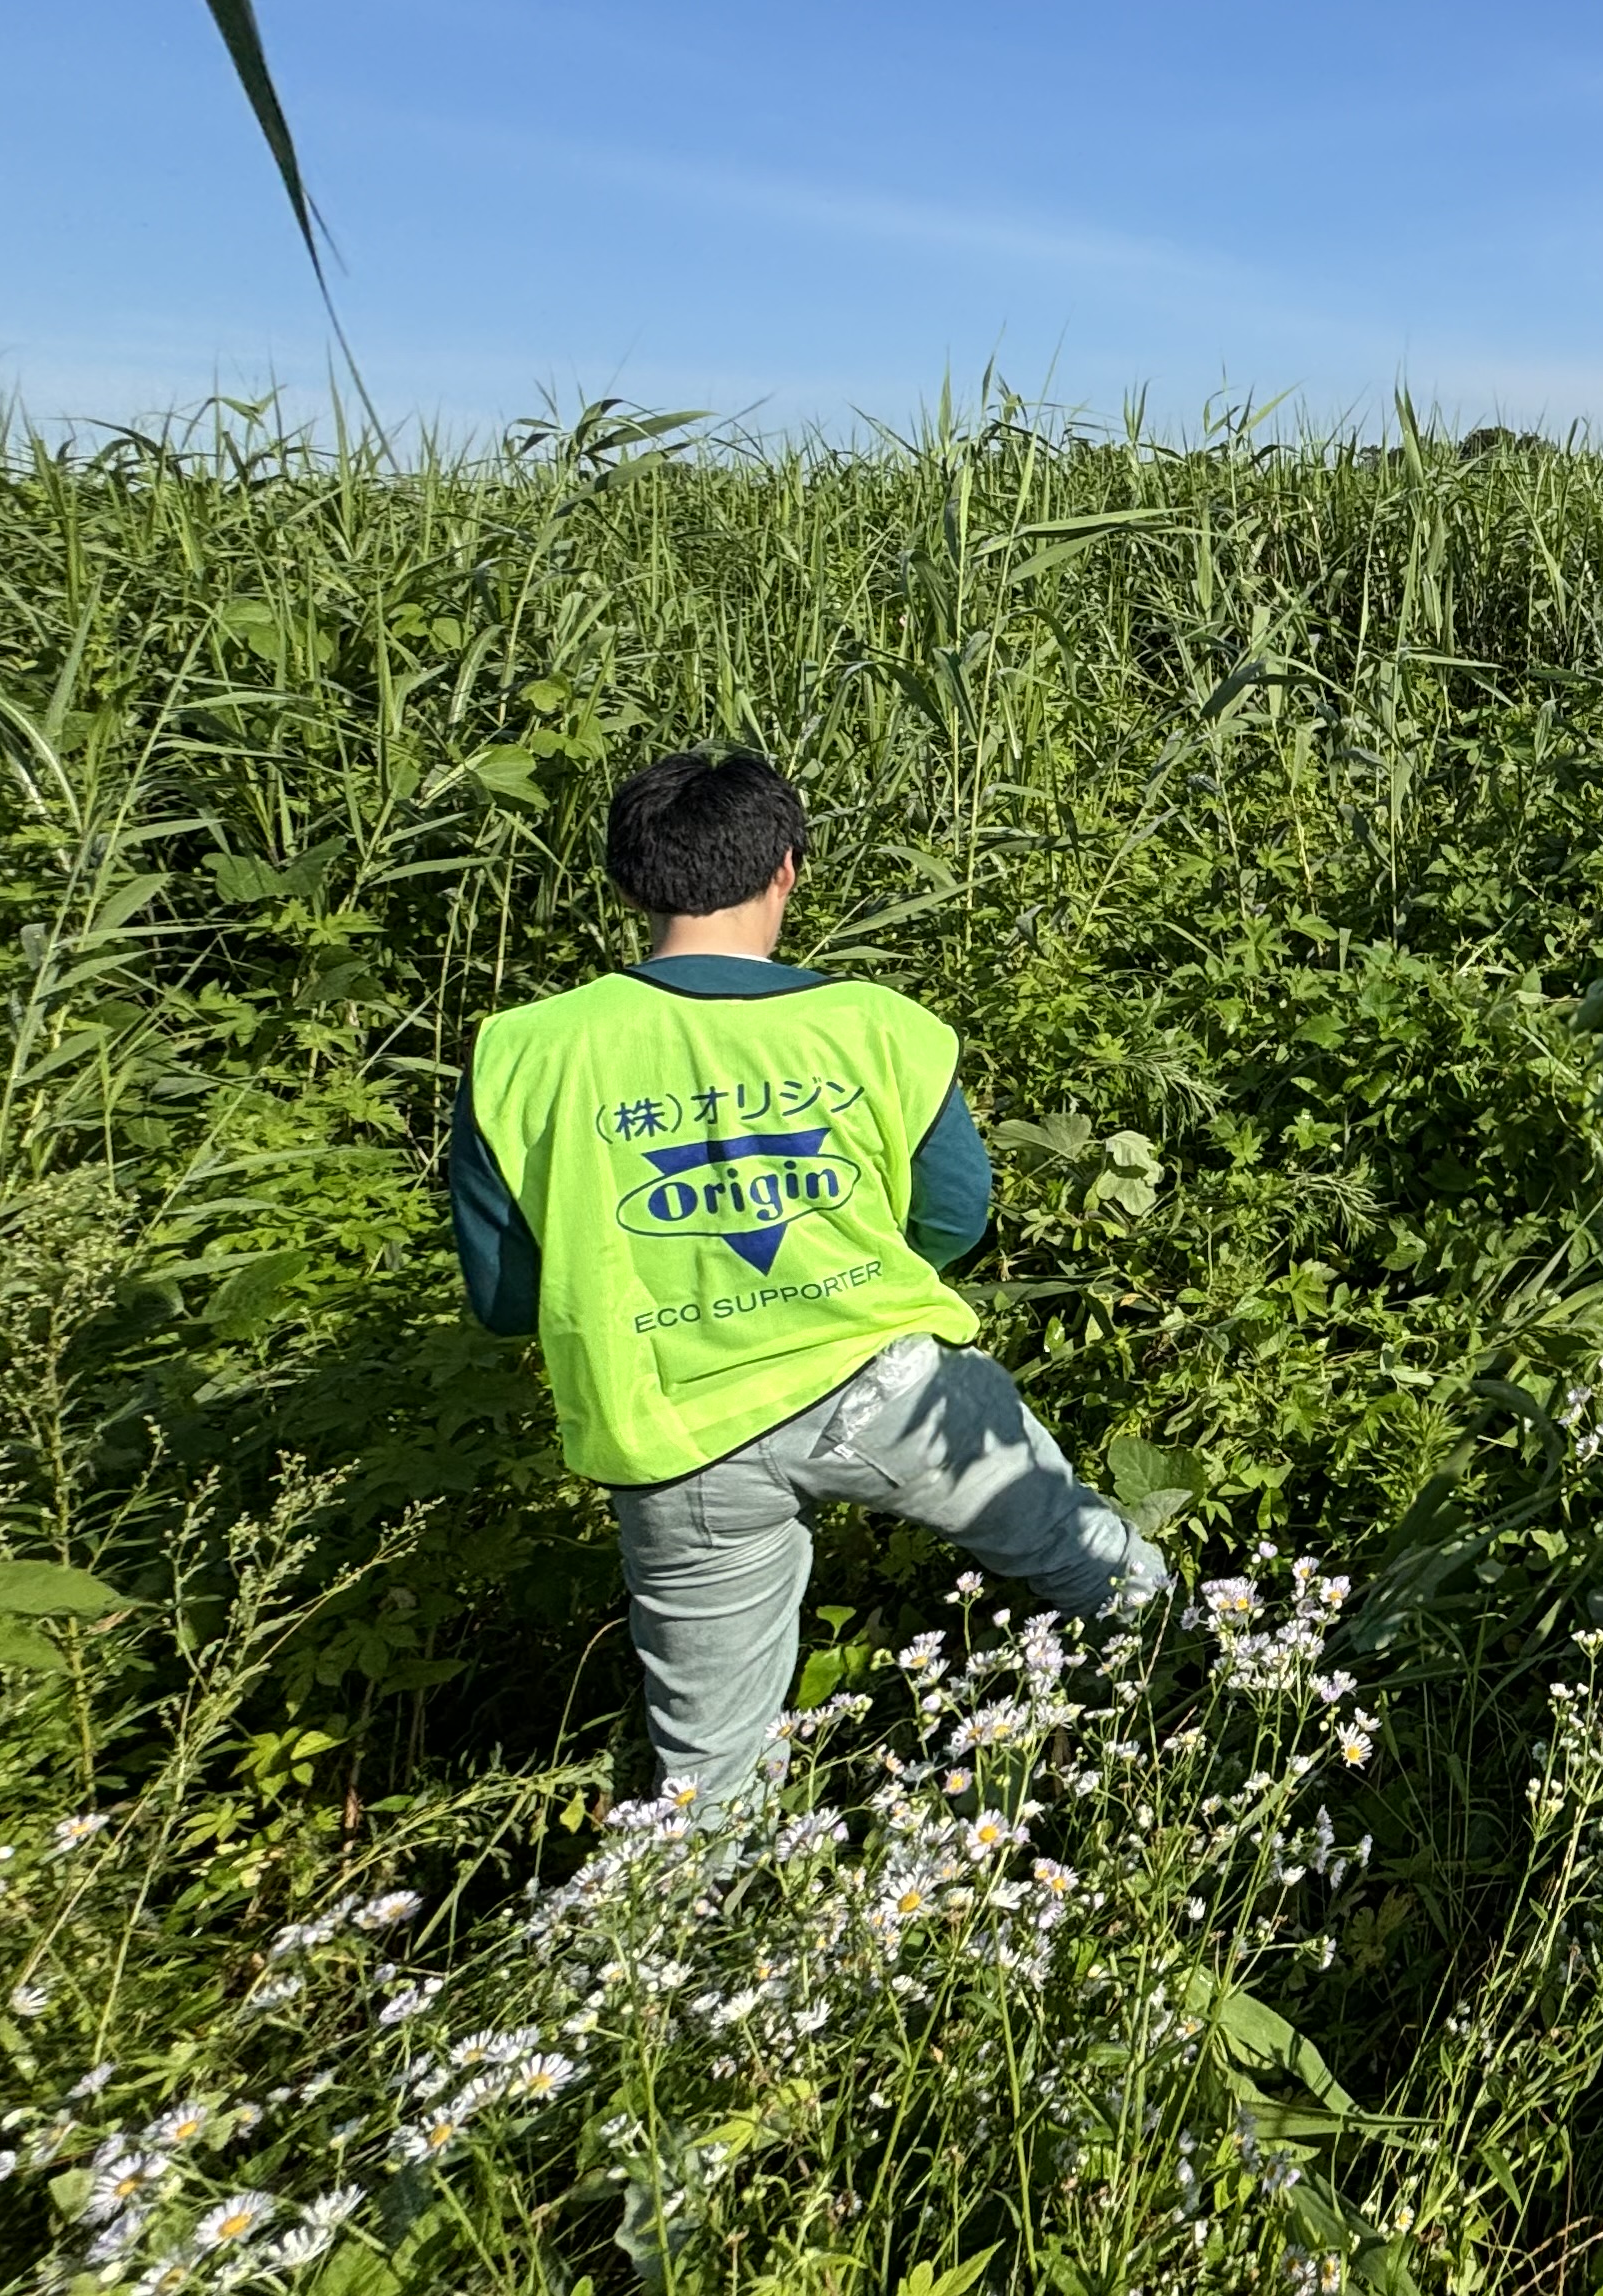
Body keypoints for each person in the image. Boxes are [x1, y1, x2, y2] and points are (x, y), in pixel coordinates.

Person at [448, 753, 1161, 1803]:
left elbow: (508, 1298)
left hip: (672, 1438)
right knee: (1086, 1556)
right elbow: (956, 1216)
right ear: (787, 869)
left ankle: (685, 1931)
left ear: (628, 882)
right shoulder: (877, 1025)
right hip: (891, 1390)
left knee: (708, 1769)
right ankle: (1214, 1686)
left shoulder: (523, 1053)